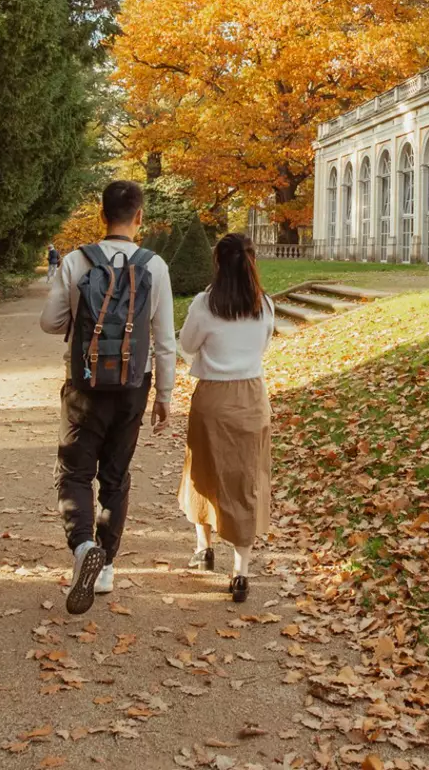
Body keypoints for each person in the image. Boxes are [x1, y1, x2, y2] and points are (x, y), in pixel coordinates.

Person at [40, 180, 175, 614]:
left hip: (84, 382)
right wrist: (166, 395)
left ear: (102, 216)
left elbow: (48, 321)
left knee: (75, 471)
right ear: (139, 217)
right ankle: (107, 565)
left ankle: (82, 547)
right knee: (116, 476)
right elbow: (165, 337)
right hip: (134, 385)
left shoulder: (78, 260)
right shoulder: (154, 266)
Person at [177, 233, 274, 603]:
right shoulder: (264, 305)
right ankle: (241, 569)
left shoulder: (205, 304)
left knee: (203, 470)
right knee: (245, 478)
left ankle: (203, 548)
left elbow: (186, 345)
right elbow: (263, 346)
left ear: (217, 262)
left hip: (214, 396)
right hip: (250, 395)